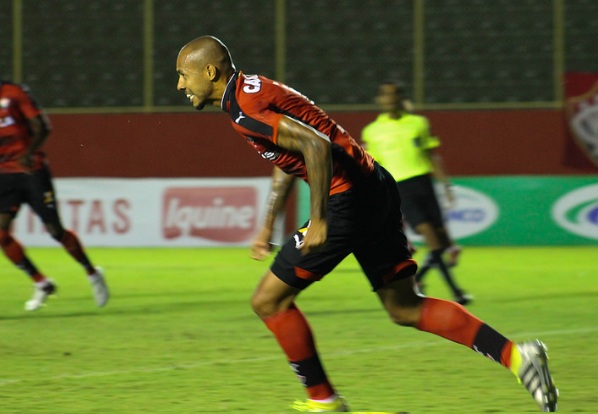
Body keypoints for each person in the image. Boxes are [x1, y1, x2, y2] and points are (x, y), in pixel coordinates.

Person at [175, 36, 558, 412]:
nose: (180, 84)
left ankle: (323, 400)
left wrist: (321, 218)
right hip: (375, 187)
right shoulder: (250, 92)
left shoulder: (245, 109)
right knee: (405, 307)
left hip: (348, 200)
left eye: (183, 75)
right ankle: (517, 357)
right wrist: (267, 226)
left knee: (269, 301)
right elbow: (290, 157)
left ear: (210, 71)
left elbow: (315, 147)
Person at [0, 80, 109, 311]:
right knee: (1, 234)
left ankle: (92, 273)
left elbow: (42, 126)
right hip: (5, 176)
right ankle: (41, 283)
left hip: (32, 172)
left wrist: (29, 154)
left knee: (55, 231)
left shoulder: (14, 93)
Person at [361, 82, 469, 305]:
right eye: (386, 95)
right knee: (434, 242)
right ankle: (453, 291)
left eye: (394, 95)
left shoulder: (419, 123)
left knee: (442, 241)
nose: (390, 99)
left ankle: (423, 283)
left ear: (401, 98)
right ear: (379, 100)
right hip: (401, 188)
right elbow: (373, 168)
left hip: (425, 185)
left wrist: (446, 186)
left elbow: (432, 155)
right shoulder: (372, 131)